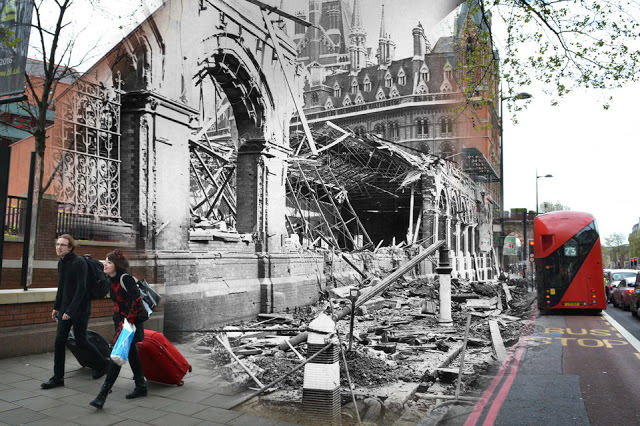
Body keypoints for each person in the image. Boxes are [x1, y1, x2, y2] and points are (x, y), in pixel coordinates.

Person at [42, 234, 108, 389]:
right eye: (57, 244)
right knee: (59, 342)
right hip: (66, 308)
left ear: (70, 247)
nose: (59, 247)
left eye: (63, 245)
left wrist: (70, 311)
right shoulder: (62, 263)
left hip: (80, 309)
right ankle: (58, 378)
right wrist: (57, 307)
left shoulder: (79, 263)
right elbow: (62, 287)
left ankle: (102, 364)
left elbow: (82, 289)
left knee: (81, 340)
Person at [90, 249, 147, 409]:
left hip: (130, 323)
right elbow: (97, 292)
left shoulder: (125, 279)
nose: (105, 264)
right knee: (131, 354)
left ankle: (102, 395)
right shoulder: (110, 279)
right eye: (105, 261)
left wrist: (127, 322)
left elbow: (137, 302)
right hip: (120, 322)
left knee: (116, 357)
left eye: (108, 262)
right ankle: (141, 386)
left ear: (117, 265)